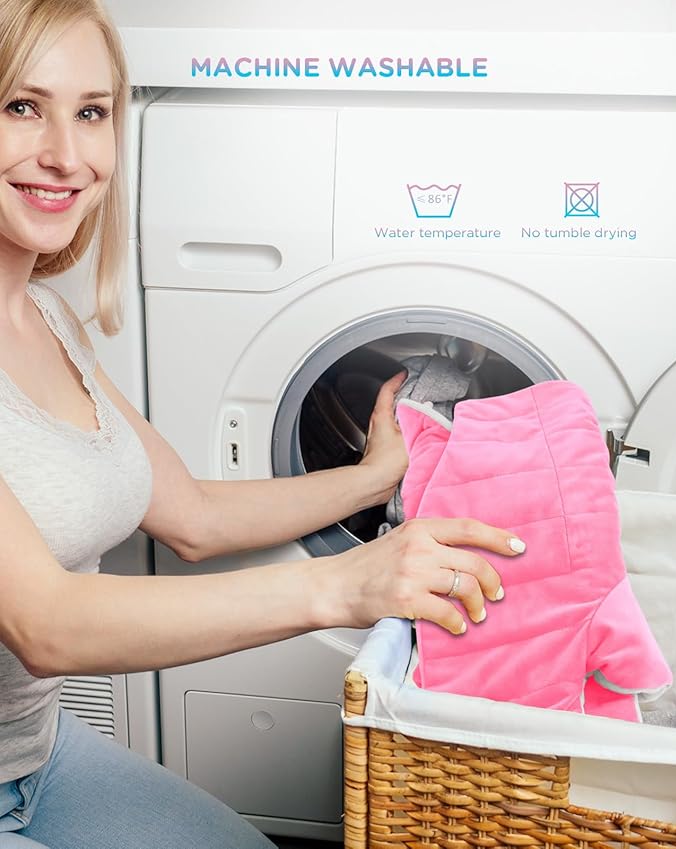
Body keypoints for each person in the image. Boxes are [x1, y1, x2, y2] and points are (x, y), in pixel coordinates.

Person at [0, 1, 526, 847]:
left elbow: (194, 517)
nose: (67, 154)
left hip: (37, 756)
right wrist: (344, 585)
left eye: (91, 112)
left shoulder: (48, 321)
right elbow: (47, 624)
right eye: (22, 106)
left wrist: (373, 476)